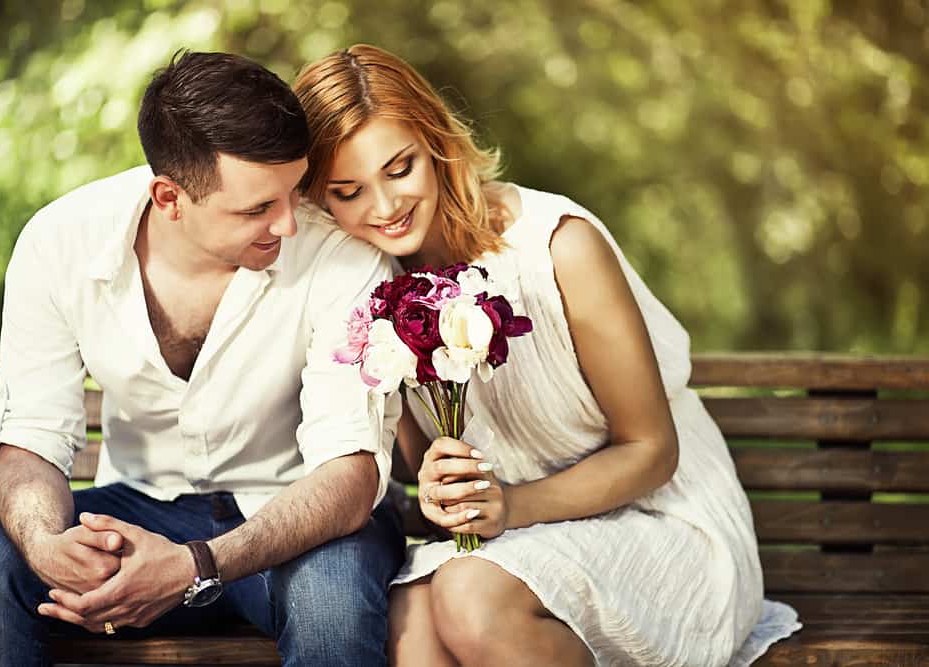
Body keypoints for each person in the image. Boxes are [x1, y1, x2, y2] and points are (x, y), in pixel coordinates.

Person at [292, 44, 802, 667]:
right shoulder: (369, 288)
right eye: (347, 192)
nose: (383, 207)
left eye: (399, 169)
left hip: (662, 521)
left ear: (436, 143)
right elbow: (420, 462)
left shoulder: (558, 245)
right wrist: (433, 484)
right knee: (411, 618)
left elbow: (652, 450)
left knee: (469, 594)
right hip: (513, 542)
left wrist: (512, 506)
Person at [0, 50, 406, 667]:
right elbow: (31, 432)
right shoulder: (60, 243)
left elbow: (349, 475)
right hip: (135, 505)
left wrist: (193, 565)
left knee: (333, 605)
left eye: (293, 190)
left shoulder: (342, 256)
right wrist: (48, 543)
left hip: (296, 519)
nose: (290, 224)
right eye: (257, 208)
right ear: (169, 196)